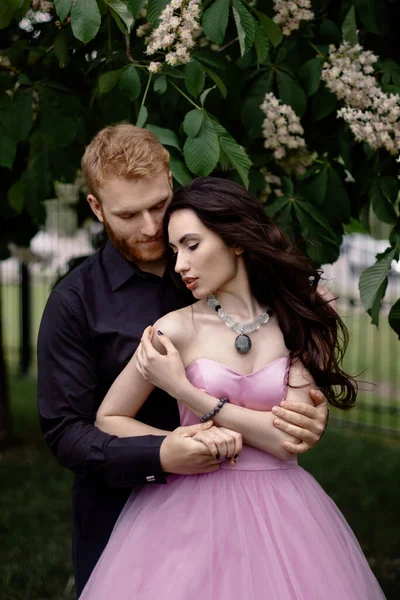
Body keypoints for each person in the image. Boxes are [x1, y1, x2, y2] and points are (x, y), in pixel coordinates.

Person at [37, 125, 328, 597]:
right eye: (129, 214)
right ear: (96, 208)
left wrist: (309, 407)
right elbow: (66, 430)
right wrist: (162, 451)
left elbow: (291, 341)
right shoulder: (74, 303)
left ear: (171, 181)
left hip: (259, 514)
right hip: (124, 511)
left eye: (157, 205)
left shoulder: (218, 263)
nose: (151, 227)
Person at [79, 176, 386, 600]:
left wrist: (189, 394)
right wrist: (176, 442)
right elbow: (107, 418)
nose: (180, 264)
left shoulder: (300, 316)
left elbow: (285, 441)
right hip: (186, 510)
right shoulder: (175, 329)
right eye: (173, 252)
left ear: (235, 240)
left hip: (285, 510)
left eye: (191, 245)